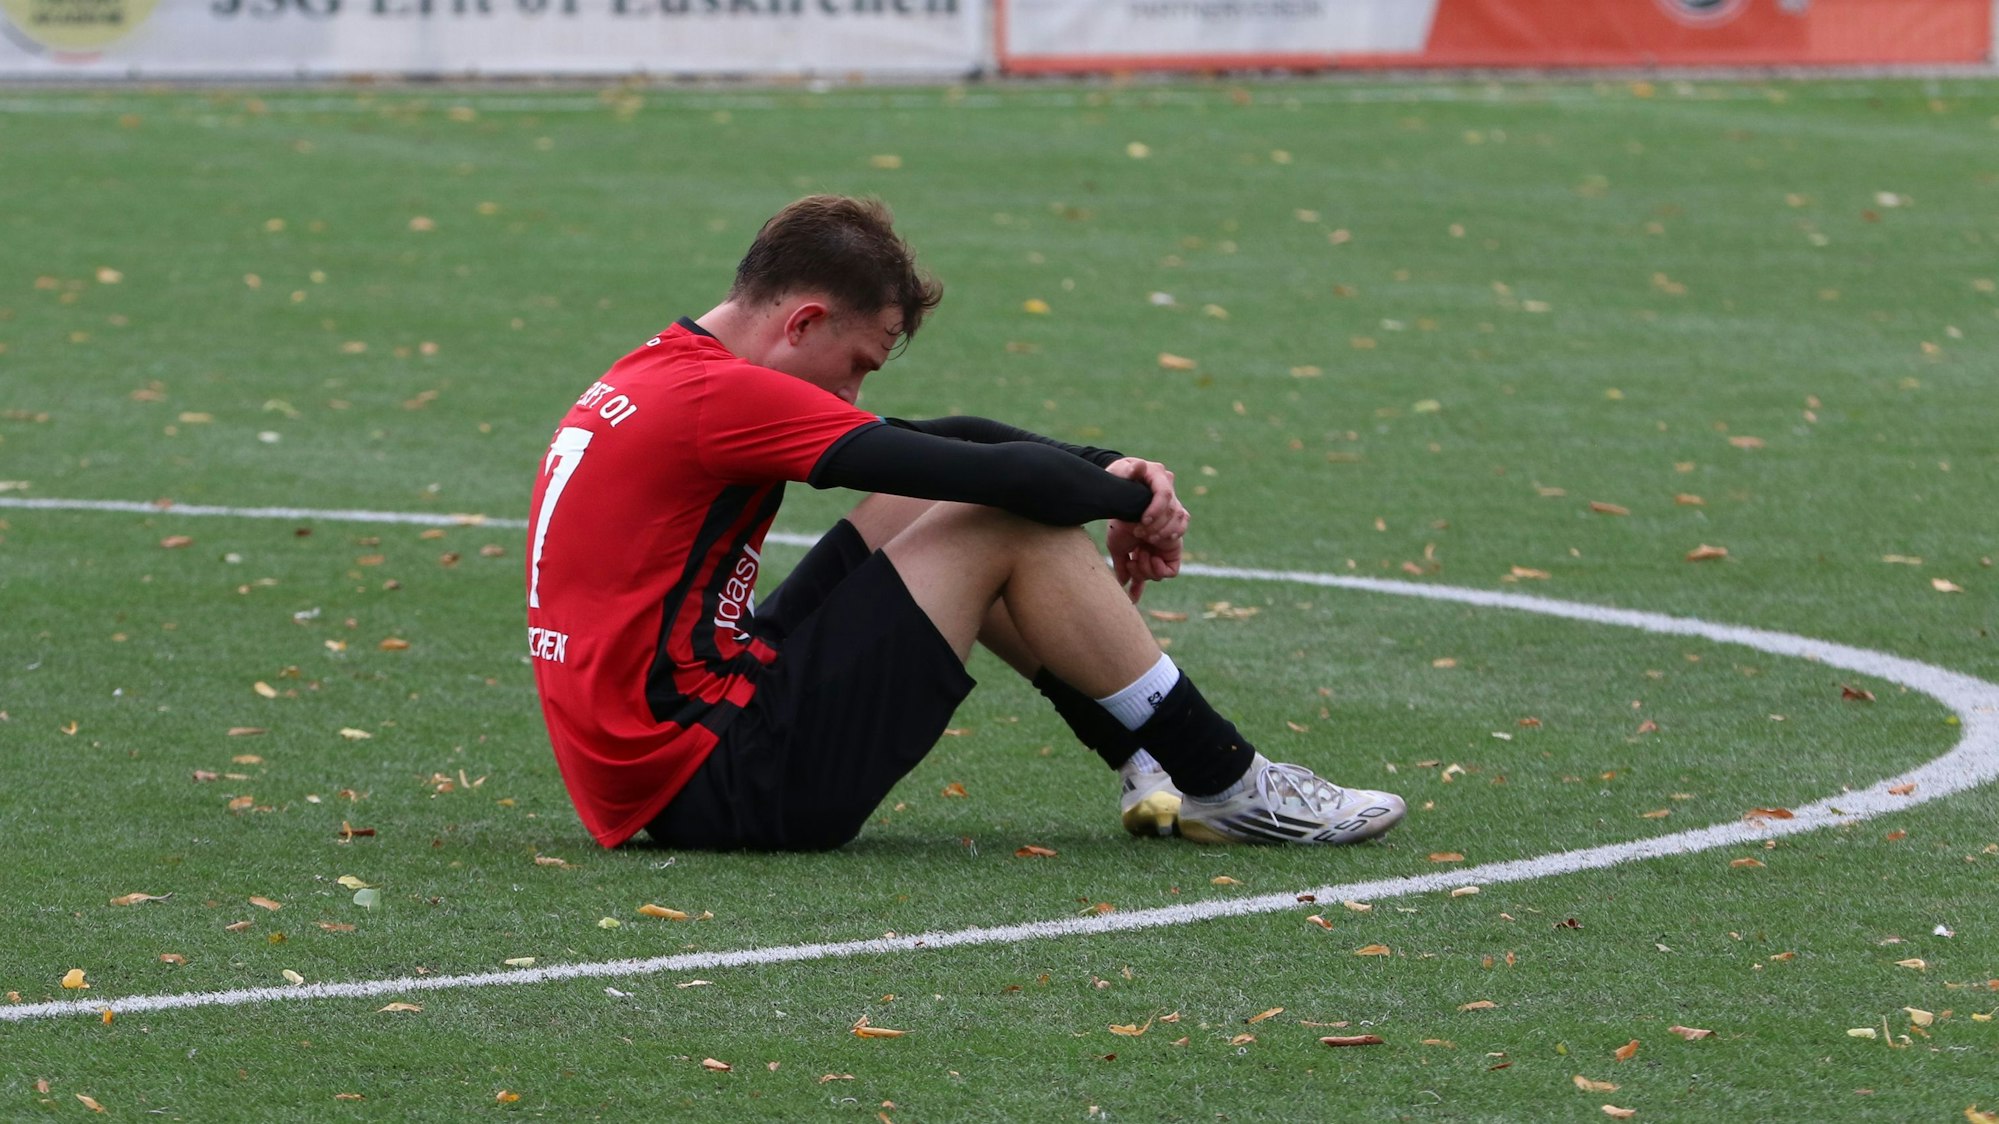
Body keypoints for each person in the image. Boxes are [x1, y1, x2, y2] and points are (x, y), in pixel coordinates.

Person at [525, 194, 1406, 851]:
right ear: (803, 321)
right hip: (717, 784)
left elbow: (946, 442)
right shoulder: (719, 396)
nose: (852, 395)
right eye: (856, 363)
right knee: (1006, 523)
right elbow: (1002, 476)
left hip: (674, 747)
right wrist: (1142, 506)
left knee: (933, 498)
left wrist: (1112, 467)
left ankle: (1150, 762)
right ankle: (1229, 780)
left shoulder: (666, 367)